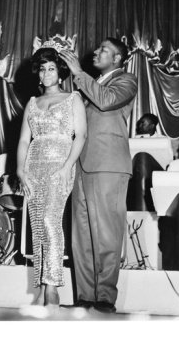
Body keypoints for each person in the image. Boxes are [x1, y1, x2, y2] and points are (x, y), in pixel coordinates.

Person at [60, 37, 138, 313]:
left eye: (103, 50)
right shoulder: (90, 84)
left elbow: (106, 102)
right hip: (81, 163)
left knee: (106, 233)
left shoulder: (126, 80)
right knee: (80, 235)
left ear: (117, 58)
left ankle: (105, 296)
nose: (96, 51)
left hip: (108, 164)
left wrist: (78, 74)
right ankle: (85, 295)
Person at [17, 41, 87, 307]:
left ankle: (52, 287)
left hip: (60, 165)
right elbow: (24, 140)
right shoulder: (32, 102)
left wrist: (67, 166)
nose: (46, 74)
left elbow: (80, 135)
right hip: (33, 166)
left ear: (60, 72)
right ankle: (42, 286)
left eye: (51, 68)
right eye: (42, 69)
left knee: (51, 220)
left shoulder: (73, 99)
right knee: (37, 226)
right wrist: (20, 170)